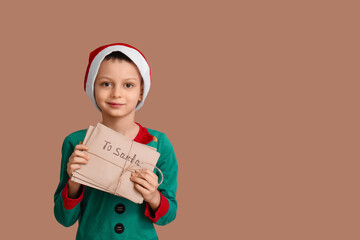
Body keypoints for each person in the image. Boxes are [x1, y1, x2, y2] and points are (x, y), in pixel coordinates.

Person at [53, 43, 178, 240]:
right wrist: (74, 182)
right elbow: (63, 218)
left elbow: (168, 216)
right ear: (92, 87)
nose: (116, 94)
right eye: (105, 83)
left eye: (128, 85)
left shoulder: (160, 143)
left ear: (141, 91)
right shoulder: (75, 142)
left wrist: (153, 197)